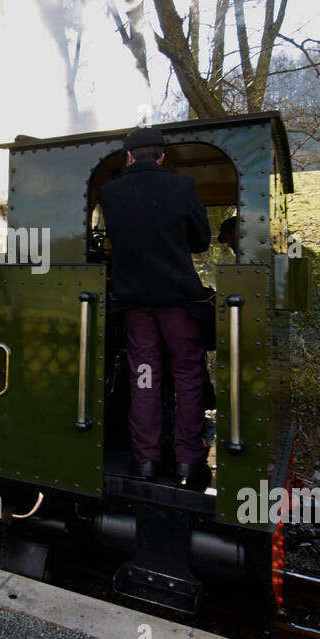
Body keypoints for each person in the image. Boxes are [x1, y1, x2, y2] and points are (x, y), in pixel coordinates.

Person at [100, 127, 211, 484]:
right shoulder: (183, 188)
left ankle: (145, 461)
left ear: (128, 157)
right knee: (188, 377)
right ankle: (188, 463)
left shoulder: (110, 193)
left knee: (143, 379)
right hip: (179, 303)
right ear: (162, 157)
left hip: (136, 306)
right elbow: (201, 242)